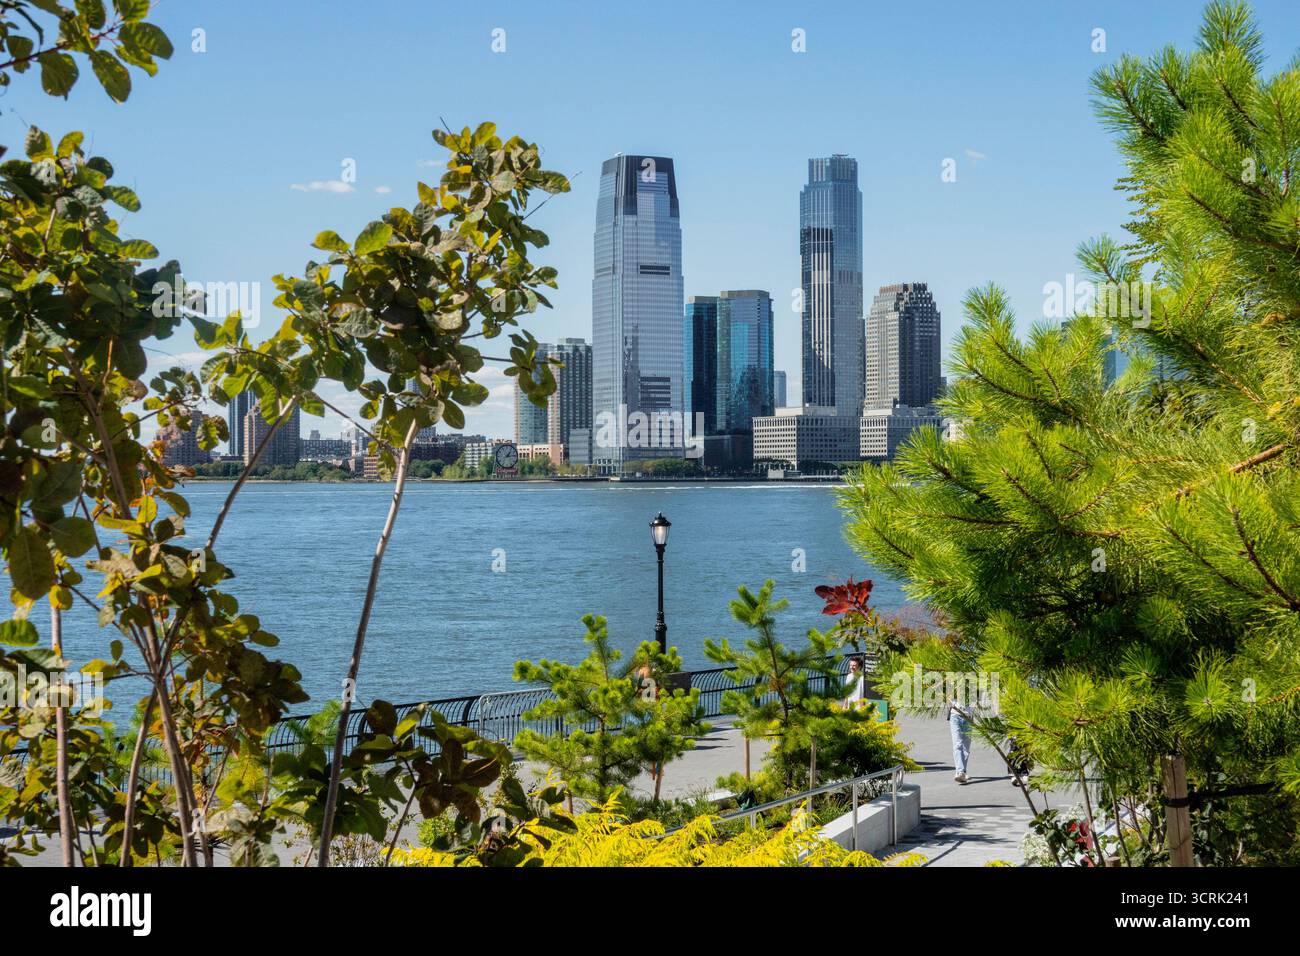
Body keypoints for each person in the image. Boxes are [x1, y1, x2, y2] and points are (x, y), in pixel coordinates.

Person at [948, 694, 972, 784]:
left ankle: (962, 772)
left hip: (969, 717)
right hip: (955, 715)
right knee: (958, 744)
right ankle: (960, 771)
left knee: (966, 747)